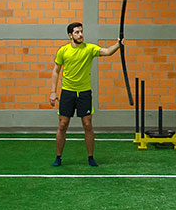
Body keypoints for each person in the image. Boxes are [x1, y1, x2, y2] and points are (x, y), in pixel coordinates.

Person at [49, 22, 124, 167]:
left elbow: (107, 52)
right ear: (70, 35)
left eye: (81, 31)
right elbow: (56, 71)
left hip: (84, 93)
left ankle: (90, 157)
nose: (80, 34)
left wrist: (118, 44)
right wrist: (53, 92)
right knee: (63, 124)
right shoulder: (63, 51)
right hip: (67, 92)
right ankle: (58, 157)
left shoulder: (89, 48)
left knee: (87, 124)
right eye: (77, 32)